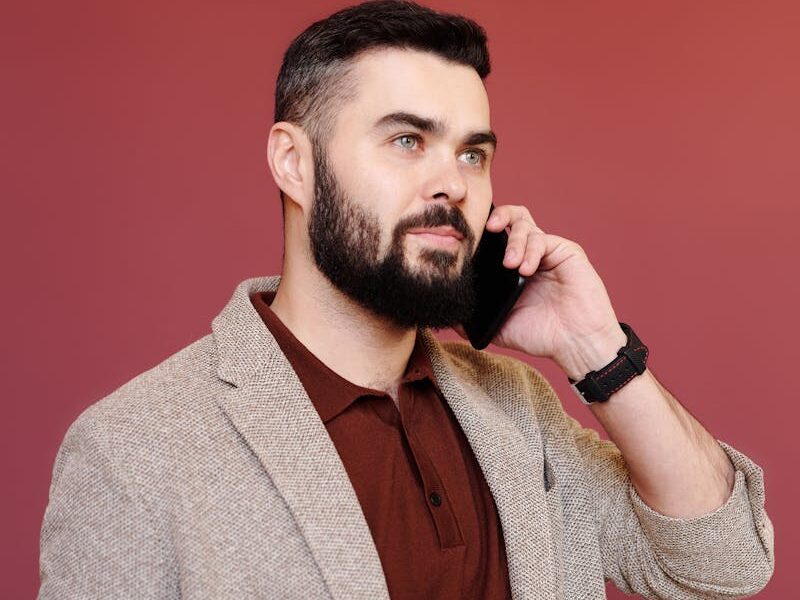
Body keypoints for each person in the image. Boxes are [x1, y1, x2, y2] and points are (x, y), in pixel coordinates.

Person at [38, 1, 774, 598]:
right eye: (406, 141)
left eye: (472, 153)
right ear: (293, 163)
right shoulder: (135, 450)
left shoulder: (519, 409)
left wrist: (597, 351)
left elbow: (726, 562)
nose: (452, 183)